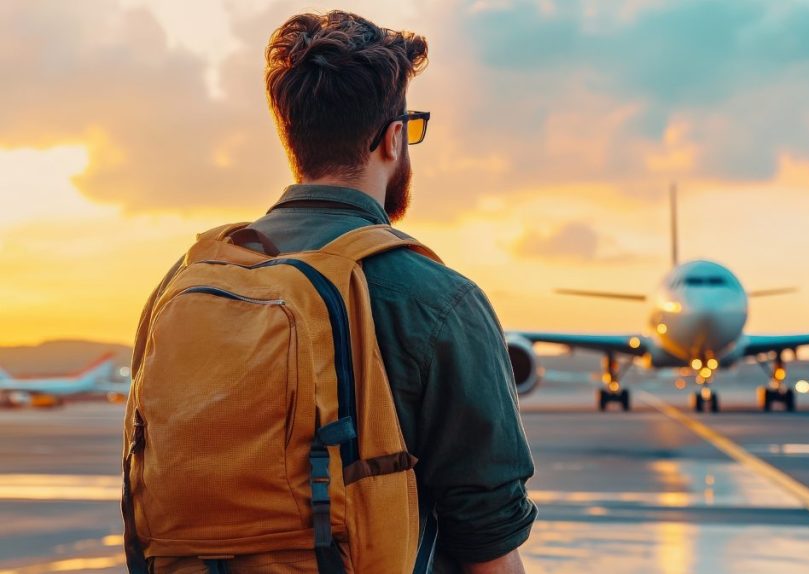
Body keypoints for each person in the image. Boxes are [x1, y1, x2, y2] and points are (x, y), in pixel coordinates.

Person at [131, 10, 536, 574]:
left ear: (291, 137)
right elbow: (489, 545)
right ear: (393, 139)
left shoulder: (180, 283)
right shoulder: (440, 300)